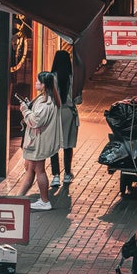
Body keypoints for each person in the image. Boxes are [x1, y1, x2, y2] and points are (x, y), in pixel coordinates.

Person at [18, 71, 60, 209]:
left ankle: (45, 200)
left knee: (39, 170)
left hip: (37, 142)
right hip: (36, 140)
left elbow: (35, 121)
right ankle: (18, 198)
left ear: (43, 85)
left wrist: (25, 110)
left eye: (38, 81)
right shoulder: (45, 99)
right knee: (30, 169)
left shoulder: (46, 103)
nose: (35, 83)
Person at [48, 47, 77, 193]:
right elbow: (79, 100)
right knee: (67, 145)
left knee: (54, 145)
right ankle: (67, 174)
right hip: (68, 114)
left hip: (55, 113)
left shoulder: (51, 78)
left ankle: (55, 176)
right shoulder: (73, 79)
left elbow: (48, 98)